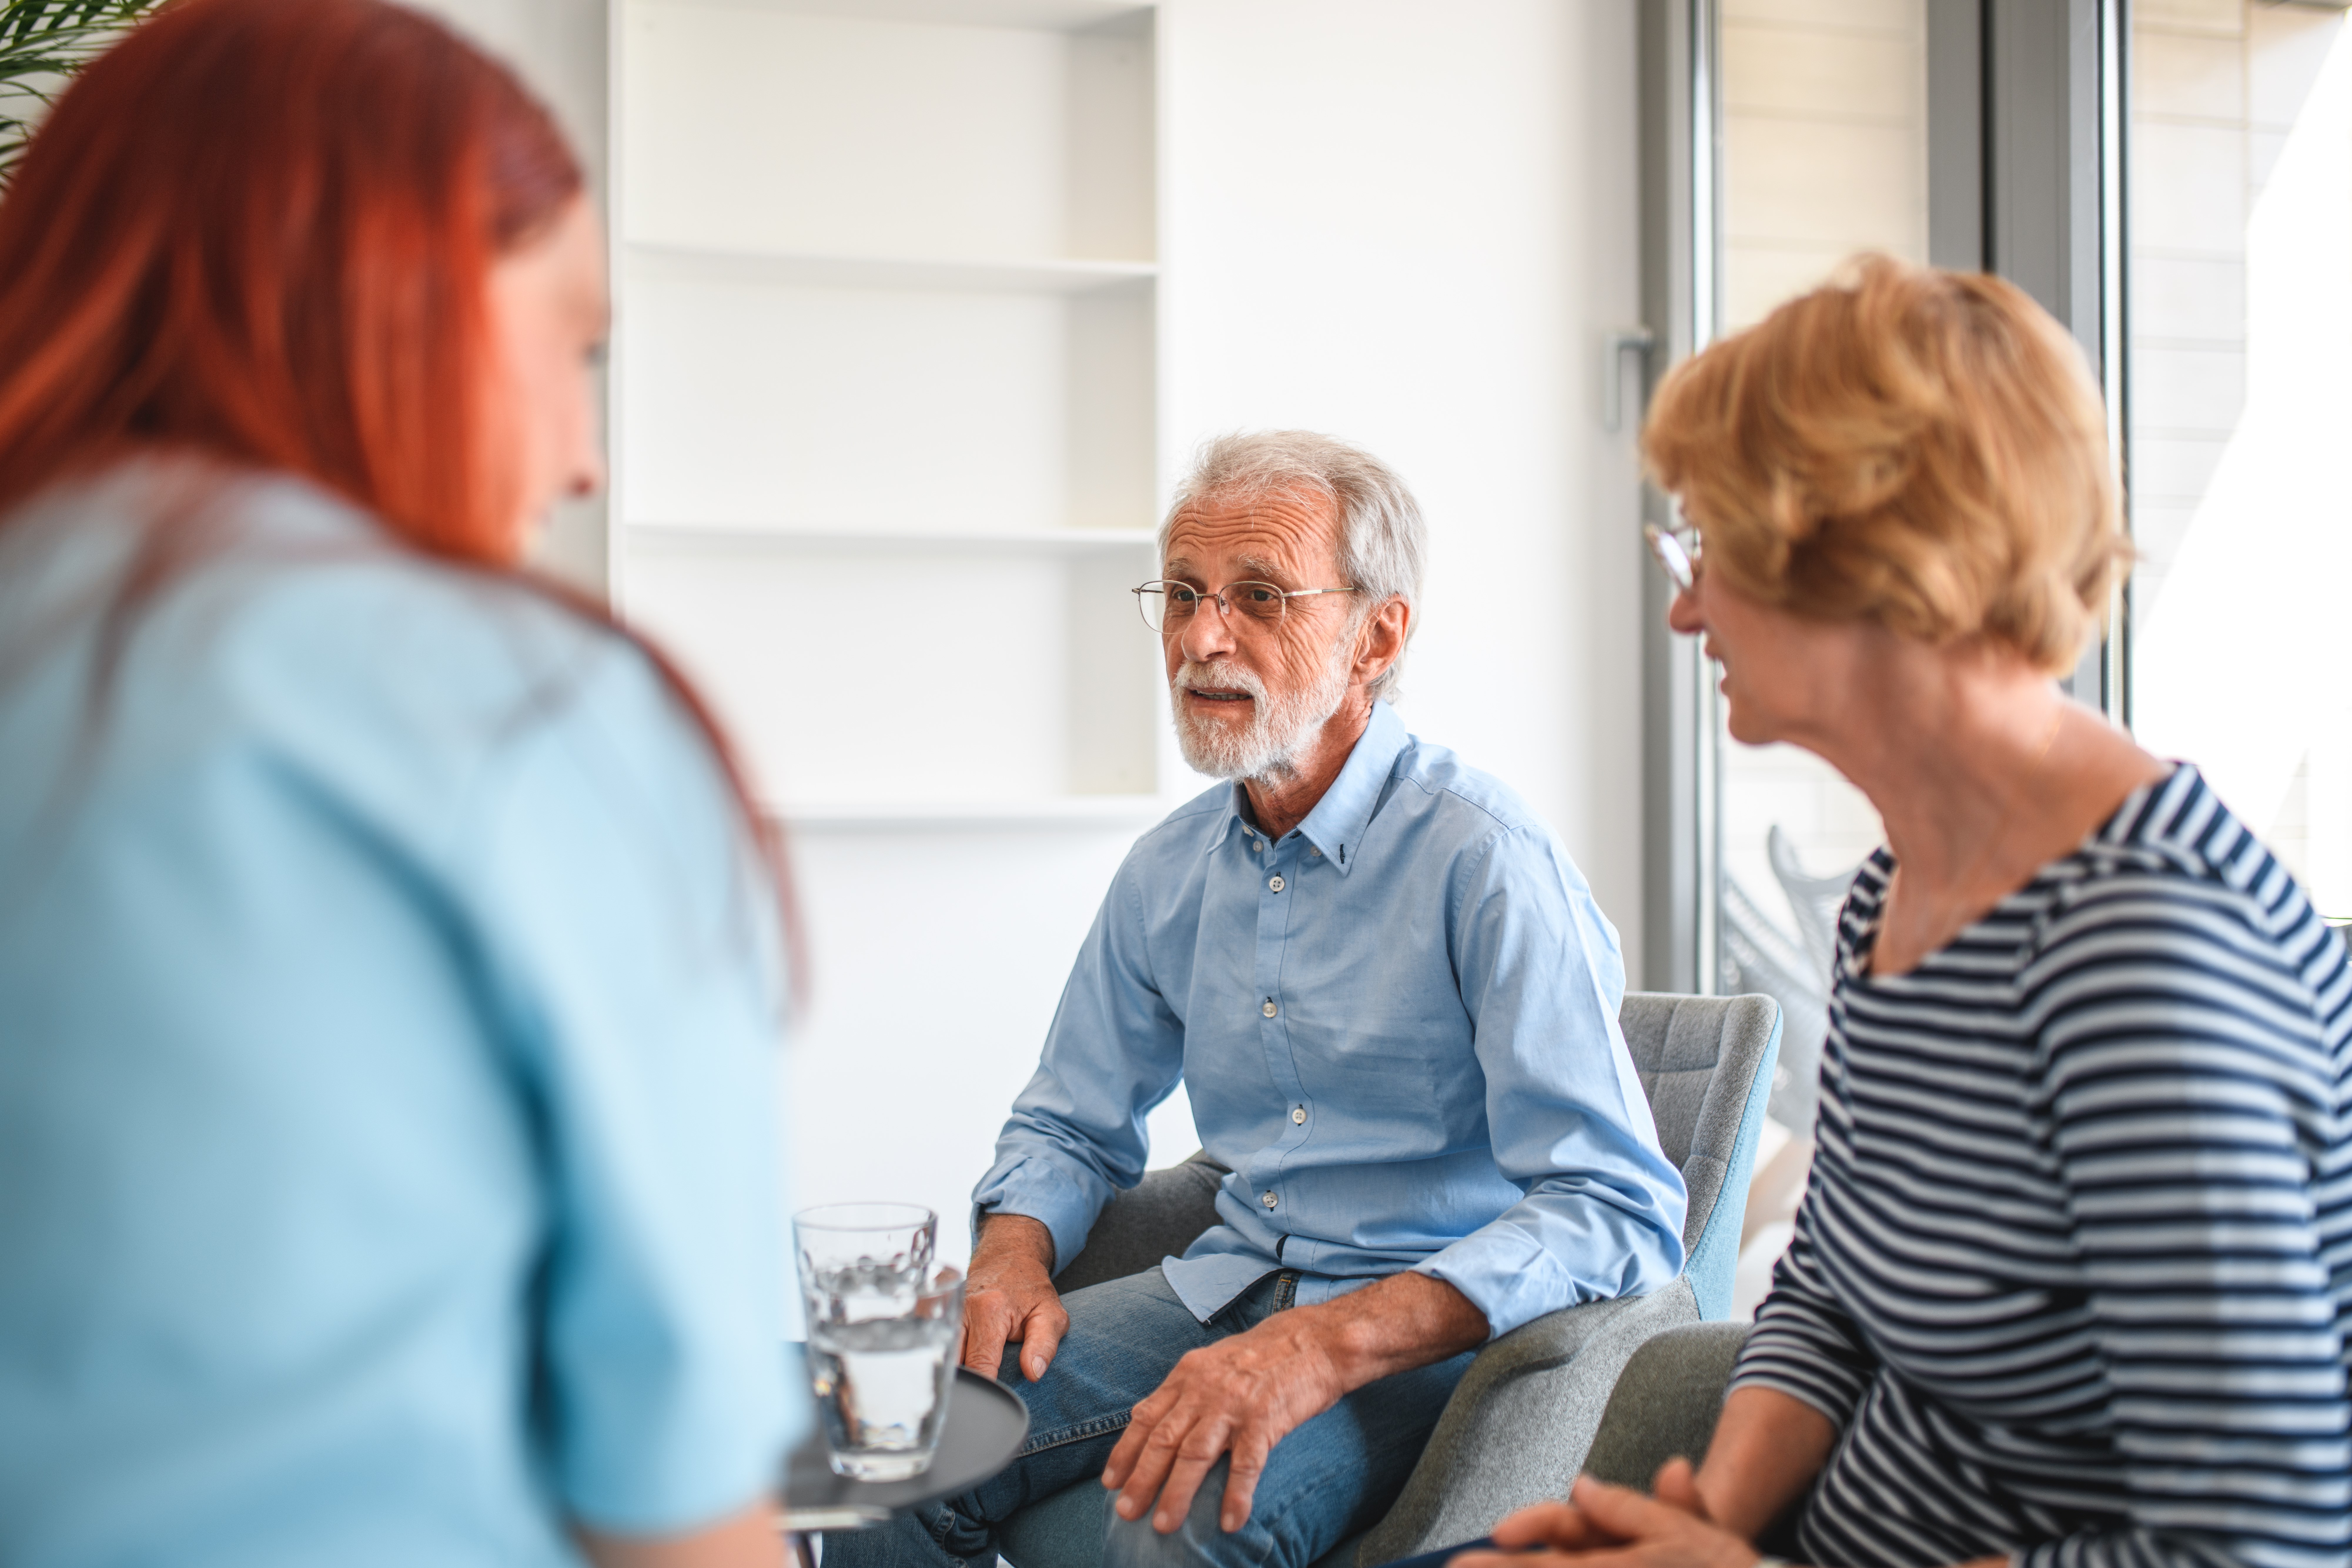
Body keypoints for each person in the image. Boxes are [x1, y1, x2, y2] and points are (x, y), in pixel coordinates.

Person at [0, 2, 799, 1565]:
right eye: (572, 346)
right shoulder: (510, 702)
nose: (586, 460)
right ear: (396, 297)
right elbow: (681, 1503)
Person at [1455, 257, 2352, 1568]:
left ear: (1878, 563)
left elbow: (2256, 1544)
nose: (1683, 604)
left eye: (1709, 545)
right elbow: (1829, 1285)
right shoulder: (1898, 888)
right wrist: (1698, 1521)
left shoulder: (2141, 951)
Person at [826, 431, 1690, 1568]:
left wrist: (1323, 1345)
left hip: (1427, 1338)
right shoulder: (1168, 871)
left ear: (1376, 634)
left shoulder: (1485, 860)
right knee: (884, 1437)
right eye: (1182, 595)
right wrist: (1008, 1256)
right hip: (1227, 1285)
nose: (1199, 639)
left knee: (1174, 1521)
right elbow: (1065, 1121)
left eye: (1258, 598)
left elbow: (1617, 1206)